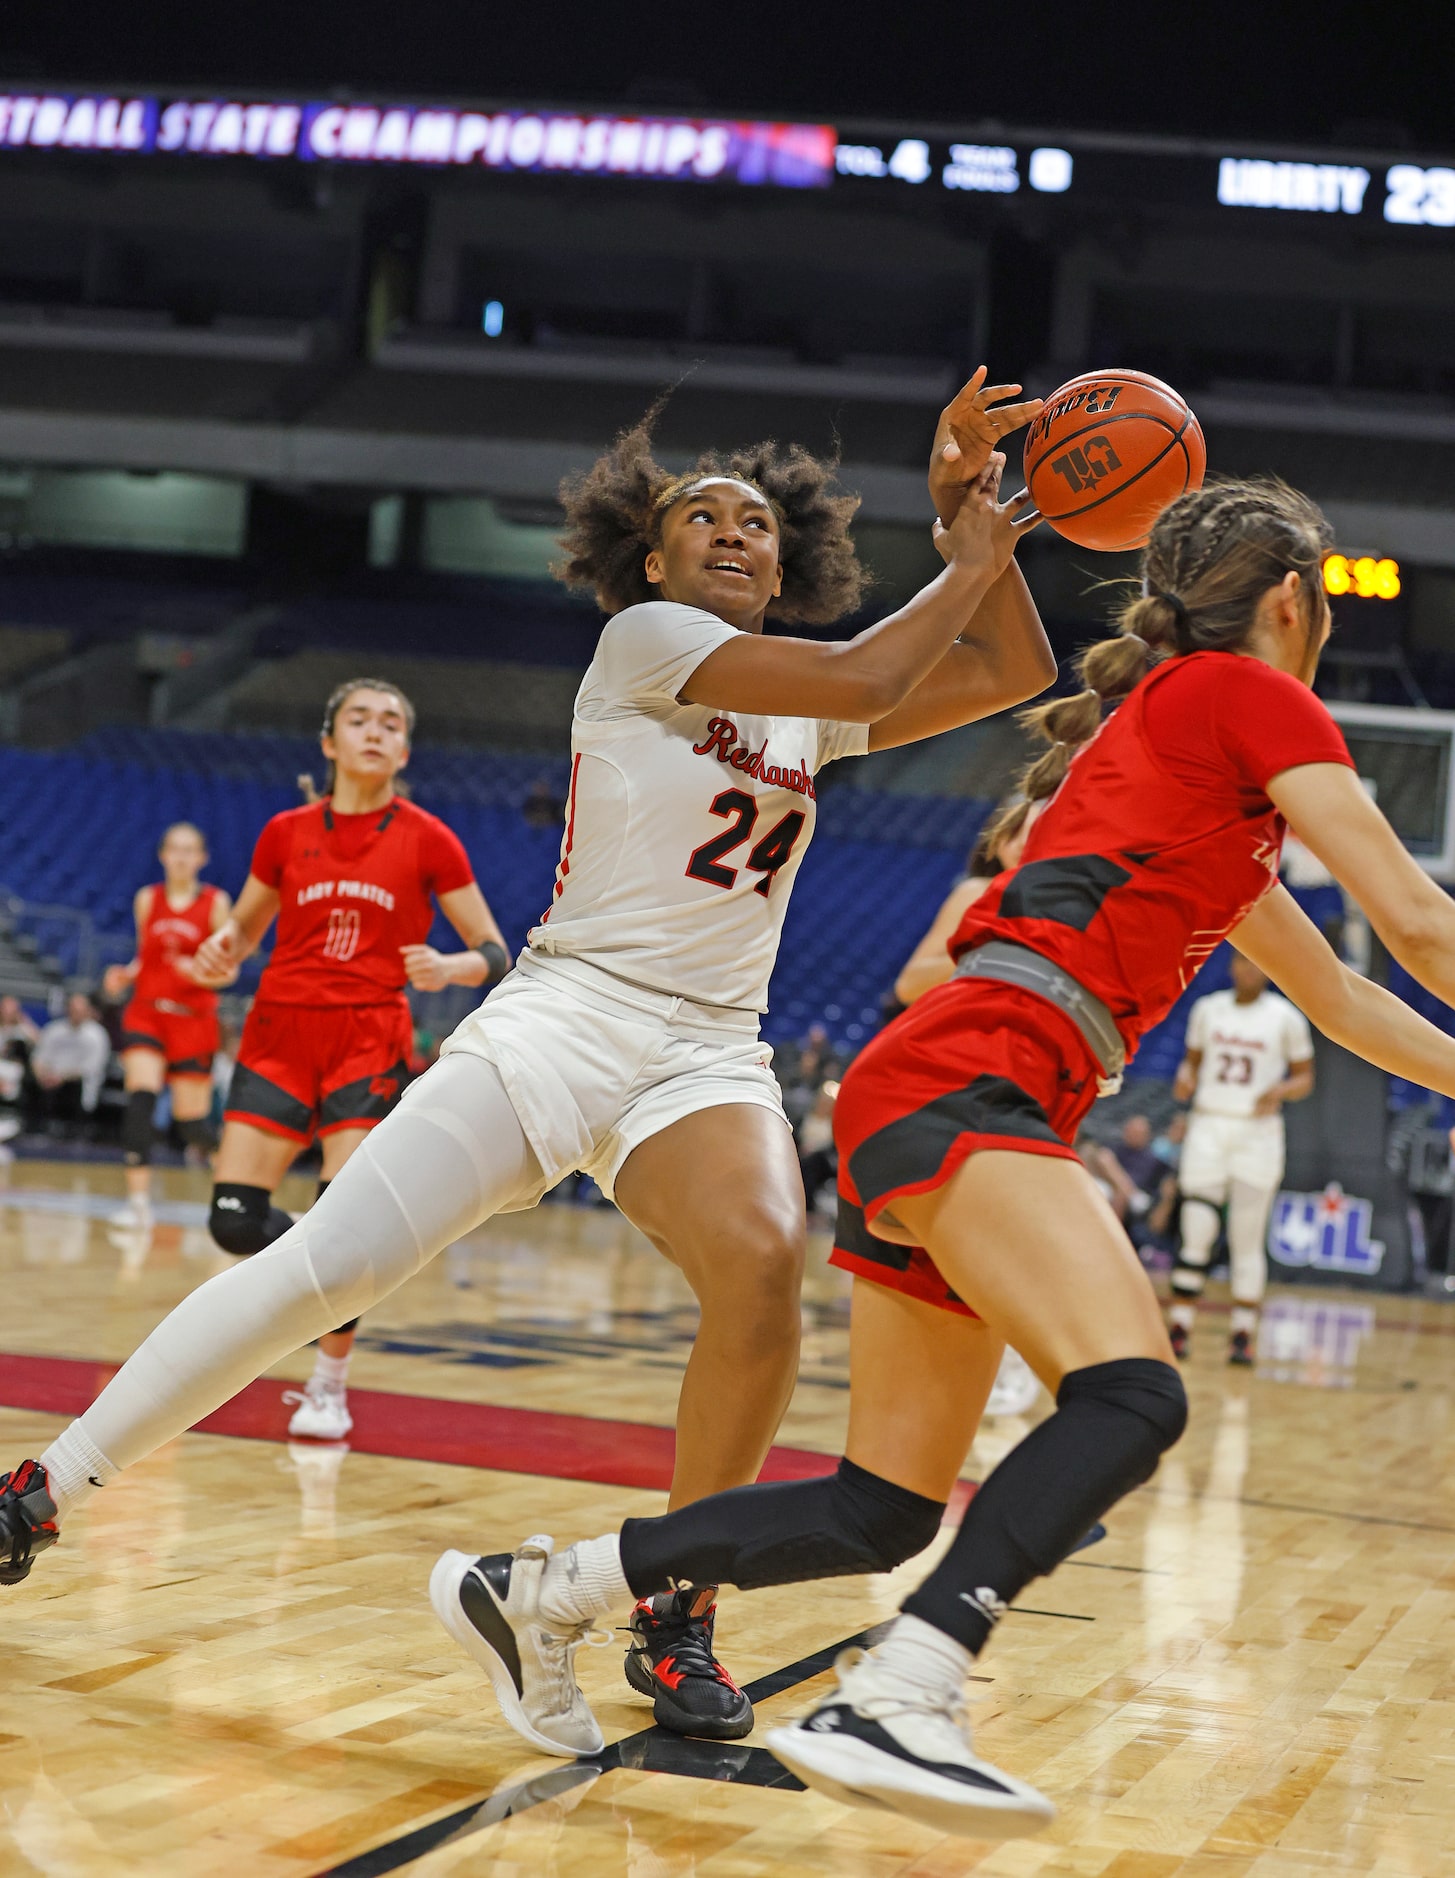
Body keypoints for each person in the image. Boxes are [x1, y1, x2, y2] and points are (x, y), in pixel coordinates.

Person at [0, 369, 1055, 1749]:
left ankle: (673, 1607)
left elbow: (1015, 674)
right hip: (567, 1014)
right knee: (327, 1267)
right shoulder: (644, 645)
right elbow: (872, 665)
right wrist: (963, 555)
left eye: (757, 524)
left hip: (703, 1050)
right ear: (652, 555)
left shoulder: (802, 705)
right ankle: (41, 1487)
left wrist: (981, 531)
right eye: (702, 517)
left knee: (758, 1268)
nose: (735, 532)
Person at [416, 477, 1455, 1842]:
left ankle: (541, 1587)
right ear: (1289, 602)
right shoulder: (1249, 696)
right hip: (980, 1077)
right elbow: (1420, 929)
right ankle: (900, 1690)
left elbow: (1348, 999)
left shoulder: (1184, 759)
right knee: (1130, 1395)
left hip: (940, 1083)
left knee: (877, 1509)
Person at [191, 677, 509, 1441]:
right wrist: (220, 951)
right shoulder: (283, 832)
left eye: (391, 722)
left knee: (350, 1228)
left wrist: (451, 966)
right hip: (279, 1032)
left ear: (404, 750)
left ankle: (328, 1384)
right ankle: (322, 1246)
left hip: (368, 1037)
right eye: (358, 720)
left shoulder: (430, 838)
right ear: (329, 743)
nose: (375, 731)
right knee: (233, 1222)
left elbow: (495, 952)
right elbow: (241, 930)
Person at [892, 794, 1045, 1414]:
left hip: (1026, 1078)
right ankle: (950, 1371)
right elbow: (910, 982)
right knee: (954, 1236)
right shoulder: (974, 893)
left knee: (1016, 1232)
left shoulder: (1068, 902)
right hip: (955, 1074)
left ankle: (1013, 1359)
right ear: (999, 839)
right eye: (1022, 827)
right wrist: (989, 955)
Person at [1169, 951, 1314, 1364]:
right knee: (1195, 1228)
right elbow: (1191, 1065)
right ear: (1231, 967)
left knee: (1246, 1239)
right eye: (1239, 962)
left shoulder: (1286, 1017)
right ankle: (1180, 1326)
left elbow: (1305, 1078)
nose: (1245, 969)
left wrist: (1282, 1090)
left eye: (1254, 963)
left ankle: (1242, 1335)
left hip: (1257, 1133)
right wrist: (1184, 1079)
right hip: (1210, 1124)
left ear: (1268, 970)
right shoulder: (1207, 1009)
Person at [101, 823, 232, 1230]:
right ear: (162, 855)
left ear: (202, 858)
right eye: (173, 849)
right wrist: (126, 974)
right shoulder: (147, 900)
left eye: (189, 850)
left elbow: (227, 971)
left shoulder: (215, 903)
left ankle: (233, 1179)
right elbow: (147, 957)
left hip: (192, 1020)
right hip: (147, 1013)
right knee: (141, 1097)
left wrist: (199, 972)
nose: (180, 856)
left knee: (191, 1124)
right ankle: (138, 1204)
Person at [25, 994, 110, 1136]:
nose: (76, 1014)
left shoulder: (97, 1035)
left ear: (88, 1011)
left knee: (73, 1087)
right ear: (67, 1010)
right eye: (73, 1009)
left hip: (76, 1081)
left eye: (80, 1010)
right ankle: (32, 1128)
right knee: (29, 1080)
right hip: (49, 1077)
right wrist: (41, 1075)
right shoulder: (54, 1029)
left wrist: (61, 1077)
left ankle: (71, 1131)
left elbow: (92, 1068)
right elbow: (39, 1057)